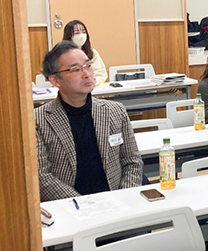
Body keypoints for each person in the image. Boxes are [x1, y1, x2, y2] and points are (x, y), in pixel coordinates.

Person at [35, 41, 142, 202]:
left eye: (88, 66)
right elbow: (42, 177)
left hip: (117, 201)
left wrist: (123, 197)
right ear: (55, 80)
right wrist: (86, 205)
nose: (87, 74)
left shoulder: (115, 110)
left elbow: (132, 162)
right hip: (70, 206)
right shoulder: (38, 120)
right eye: (76, 69)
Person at [62, 20, 107, 84]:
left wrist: (93, 81)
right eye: (77, 33)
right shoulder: (62, 55)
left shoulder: (92, 53)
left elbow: (101, 73)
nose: (81, 35)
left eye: (83, 32)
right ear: (69, 36)